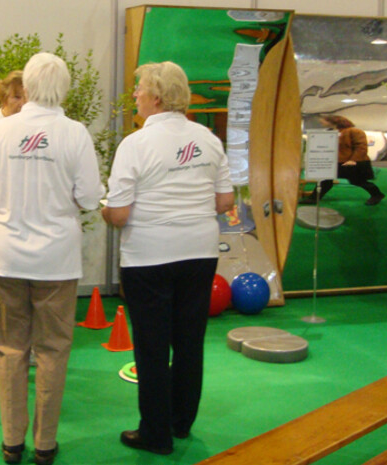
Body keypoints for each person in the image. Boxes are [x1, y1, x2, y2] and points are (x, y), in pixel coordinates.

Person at [0, 53, 104, 465]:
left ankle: (11, 442)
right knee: (52, 350)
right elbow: (89, 198)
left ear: (26, 86)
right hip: (56, 261)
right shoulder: (75, 134)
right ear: (63, 88)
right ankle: (45, 444)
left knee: (8, 349)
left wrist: (9, 203)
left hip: (6, 256)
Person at [102, 61, 234, 455]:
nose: (136, 96)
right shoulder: (208, 139)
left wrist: (104, 208)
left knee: (152, 347)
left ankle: (155, 434)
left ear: (156, 98)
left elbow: (120, 214)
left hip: (148, 257)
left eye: (140, 89)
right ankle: (180, 422)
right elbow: (225, 201)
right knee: (190, 341)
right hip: (199, 253)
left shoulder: (136, 144)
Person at [302, 115, 385, 206]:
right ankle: (314, 198)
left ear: (333, 121)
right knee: (325, 180)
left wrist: (353, 160)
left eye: (323, 121)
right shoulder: (330, 132)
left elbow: (361, 147)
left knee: (358, 181)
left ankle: (377, 195)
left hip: (351, 162)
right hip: (334, 162)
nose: (321, 122)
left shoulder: (354, 131)